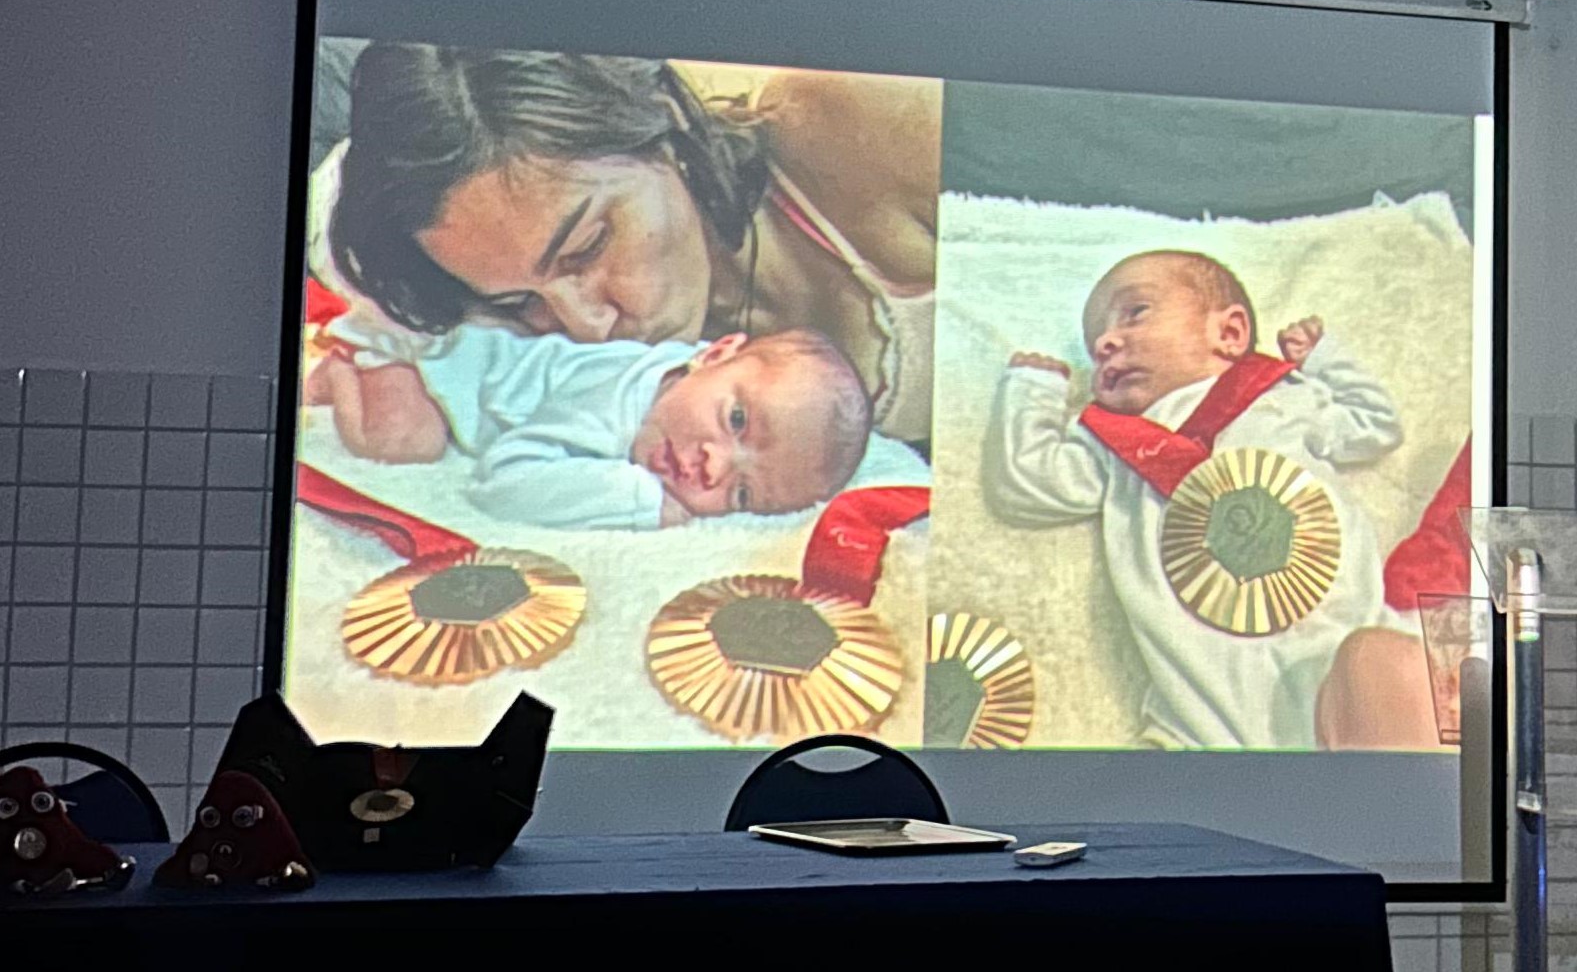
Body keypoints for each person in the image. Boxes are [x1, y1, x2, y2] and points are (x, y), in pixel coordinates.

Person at [324, 46, 942, 447]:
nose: (587, 329)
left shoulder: (855, 124)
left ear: (662, 116)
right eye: (518, 299)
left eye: (588, 247)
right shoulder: (495, 304)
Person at [984, 249, 1437, 750]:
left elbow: (1375, 425)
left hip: (1339, 675)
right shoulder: (1113, 443)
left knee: (1389, 665)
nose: (1107, 342)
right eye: (1095, 346)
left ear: (1229, 333)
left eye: (1135, 313)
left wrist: (1325, 359)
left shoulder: (1279, 398)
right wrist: (1032, 390)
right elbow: (1026, 485)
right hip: (1202, 717)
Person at [309, 325, 874, 530]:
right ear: (716, 351)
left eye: (743, 494)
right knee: (402, 440)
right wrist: (636, 499)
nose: (714, 466)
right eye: (737, 420)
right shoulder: (608, 406)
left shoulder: (687, 377)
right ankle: (341, 367)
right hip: (433, 362)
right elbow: (500, 480)